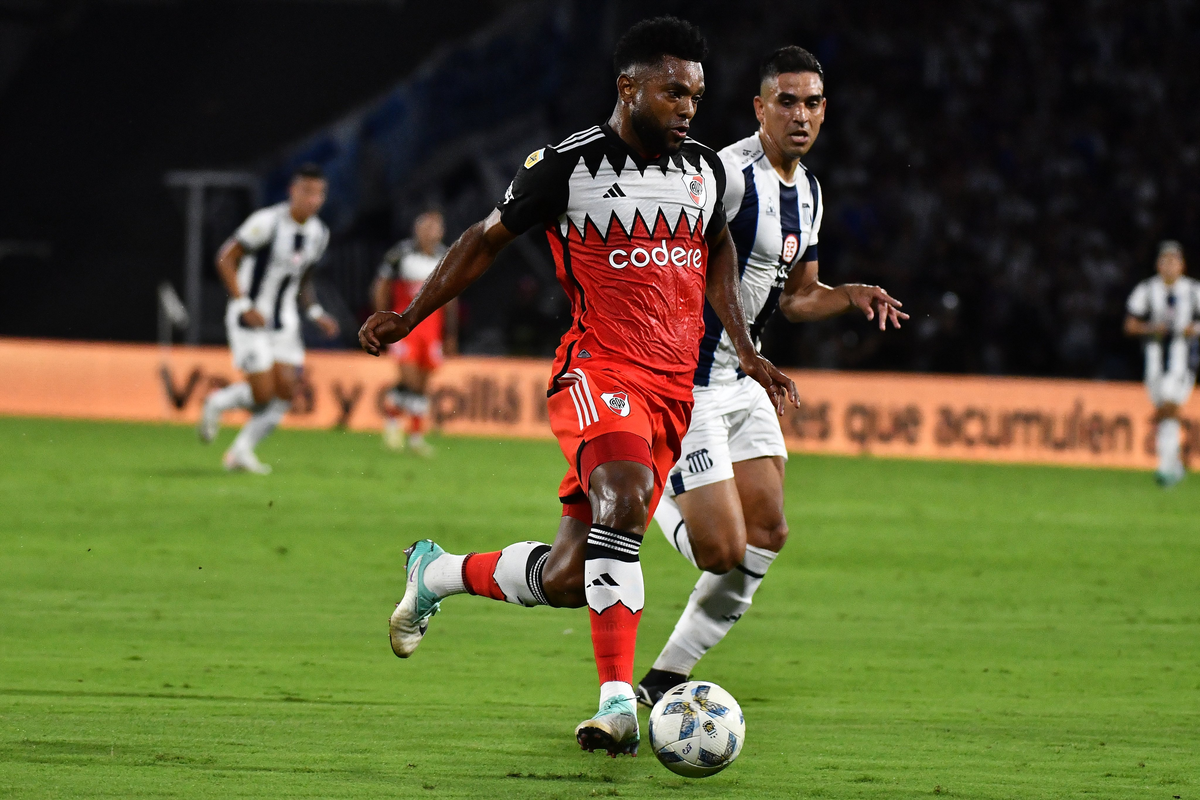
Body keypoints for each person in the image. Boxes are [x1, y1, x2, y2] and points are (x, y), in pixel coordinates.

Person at [358, 17, 797, 757]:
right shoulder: (565, 166)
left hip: (672, 392)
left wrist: (746, 349)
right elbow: (483, 241)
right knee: (624, 495)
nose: (689, 108)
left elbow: (718, 246)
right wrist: (410, 316)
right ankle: (618, 704)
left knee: (571, 576)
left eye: (695, 95)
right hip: (597, 371)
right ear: (628, 88)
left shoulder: (704, 171)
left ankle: (436, 572)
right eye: (673, 92)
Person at [635, 46, 908, 705]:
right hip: (689, 380)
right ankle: (643, 490)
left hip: (743, 376)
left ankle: (665, 677)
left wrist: (849, 294)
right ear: (759, 108)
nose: (800, 115)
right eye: (786, 101)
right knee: (718, 551)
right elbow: (678, 267)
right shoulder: (724, 175)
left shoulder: (808, 191)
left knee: (767, 532)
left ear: (825, 111)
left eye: (812, 103)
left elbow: (796, 296)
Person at [197, 163, 340, 473]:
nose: (313, 199)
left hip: (284, 321)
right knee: (262, 395)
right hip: (249, 317)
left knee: (285, 393)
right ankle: (218, 402)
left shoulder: (319, 233)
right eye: (307, 191)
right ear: (292, 191)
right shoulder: (267, 222)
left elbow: (304, 278)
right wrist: (243, 303)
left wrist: (314, 312)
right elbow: (225, 258)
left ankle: (240, 452)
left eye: (319, 193)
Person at [371, 210, 455, 455]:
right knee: (408, 380)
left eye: (434, 228)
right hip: (404, 327)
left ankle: (415, 438)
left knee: (422, 384)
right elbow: (380, 286)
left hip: (432, 329)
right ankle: (393, 426)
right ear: (416, 229)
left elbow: (451, 297)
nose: (430, 232)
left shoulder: (446, 256)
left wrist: (451, 334)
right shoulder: (400, 254)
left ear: (441, 232)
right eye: (425, 227)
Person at [1124, 240, 1199, 486]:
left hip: (1182, 358)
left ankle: (1166, 469)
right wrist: (1150, 328)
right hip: (1154, 358)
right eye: (1165, 261)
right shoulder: (1147, 289)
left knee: (1168, 404)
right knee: (1165, 410)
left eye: (1174, 261)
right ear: (1158, 264)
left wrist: (1193, 329)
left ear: (1182, 265)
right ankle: (1174, 464)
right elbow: (1130, 325)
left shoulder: (1193, 290)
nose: (1169, 266)